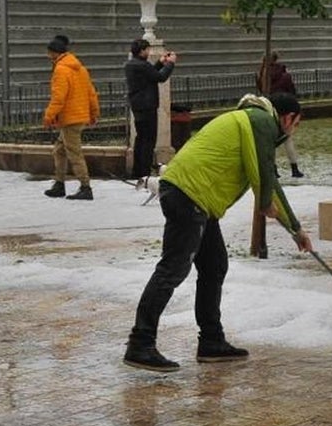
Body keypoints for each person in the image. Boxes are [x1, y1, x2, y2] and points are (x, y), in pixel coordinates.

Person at [124, 91, 313, 373]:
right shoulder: (261, 122)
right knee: (172, 269)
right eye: (296, 124)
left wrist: (295, 230)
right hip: (189, 193)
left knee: (214, 266)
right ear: (288, 118)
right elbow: (264, 178)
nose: (293, 130)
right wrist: (267, 206)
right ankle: (140, 343)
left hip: (197, 197)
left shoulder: (252, 122)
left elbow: (268, 180)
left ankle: (211, 341)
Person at [43, 34, 101, 201]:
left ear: (54, 53)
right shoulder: (80, 69)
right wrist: (94, 113)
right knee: (59, 150)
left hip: (70, 119)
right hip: (79, 116)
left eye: (49, 53)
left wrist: (48, 116)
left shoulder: (61, 70)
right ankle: (59, 183)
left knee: (74, 153)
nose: (48, 56)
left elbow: (58, 98)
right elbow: (91, 93)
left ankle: (85, 187)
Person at [124, 39, 177, 189]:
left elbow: (150, 74)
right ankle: (144, 171)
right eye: (147, 50)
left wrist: (160, 63)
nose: (148, 52)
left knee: (140, 138)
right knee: (148, 140)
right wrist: (170, 63)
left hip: (137, 105)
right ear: (142, 51)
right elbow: (160, 77)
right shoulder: (142, 65)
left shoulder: (131, 64)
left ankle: (137, 170)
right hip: (147, 106)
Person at [257, 51, 305, 178]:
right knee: (287, 138)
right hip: (287, 104)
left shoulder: (262, 74)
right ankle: (294, 169)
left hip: (271, 104)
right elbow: (292, 90)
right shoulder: (285, 74)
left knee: (271, 140)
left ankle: (274, 170)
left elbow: (261, 90)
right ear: (277, 59)